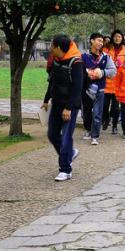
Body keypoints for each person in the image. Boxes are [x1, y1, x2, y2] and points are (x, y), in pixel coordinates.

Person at [41, 34, 83, 181]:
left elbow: (77, 88)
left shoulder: (76, 63)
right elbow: (52, 81)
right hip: (56, 104)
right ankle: (70, 153)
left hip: (70, 106)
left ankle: (65, 169)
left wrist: (69, 108)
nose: (50, 47)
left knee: (66, 137)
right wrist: (46, 99)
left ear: (58, 47)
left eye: (51, 45)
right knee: (52, 134)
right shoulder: (56, 60)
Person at [81, 33, 113, 145]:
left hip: (100, 90)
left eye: (102, 41)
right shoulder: (83, 56)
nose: (101, 43)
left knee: (97, 113)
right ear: (91, 41)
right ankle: (88, 130)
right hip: (86, 89)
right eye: (98, 40)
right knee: (86, 112)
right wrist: (87, 73)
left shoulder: (106, 57)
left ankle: (95, 136)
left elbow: (113, 71)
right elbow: (78, 70)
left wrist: (102, 72)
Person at [102, 30, 125, 133]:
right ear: (112, 37)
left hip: (118, 83)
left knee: (116, 107)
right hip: (106, 82)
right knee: (105, 105)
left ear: (122, 38)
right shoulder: (106, 48)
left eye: (119, 37)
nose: (117, 38)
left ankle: (114, 126)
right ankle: (106, 119)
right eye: (115, 36)